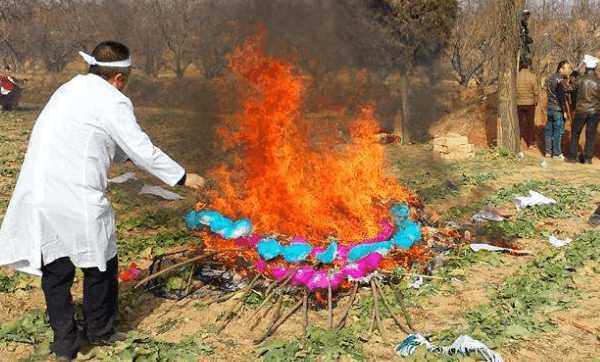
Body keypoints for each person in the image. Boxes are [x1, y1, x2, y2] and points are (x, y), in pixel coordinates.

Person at [0, 41, 205, 361]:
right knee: (101, 261)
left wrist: (125, 158)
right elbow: (141, 148)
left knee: (56, 269)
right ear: (121, 78)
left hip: (40, 190)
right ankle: (100, 331)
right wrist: (182, 177)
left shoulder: (70, 88)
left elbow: (101, 137)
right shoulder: (114, 100)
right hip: (75, 192)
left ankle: (65, 343)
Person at [568, 55, 600, 164]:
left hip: (580, 110)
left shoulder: (580, 80)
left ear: (586, 67)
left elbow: (570, 86)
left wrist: (574, 72)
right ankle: (587, 158)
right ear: (595, 68)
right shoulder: (598, 81)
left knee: (575, 133)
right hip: (595, 112)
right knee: (591, 134)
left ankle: (572, 157)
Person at [545, 60, 572, 159]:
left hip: (549, 108)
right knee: (558, 132)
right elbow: (561, 97)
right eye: (567, 68)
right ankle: (557, 154)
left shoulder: (549, 78)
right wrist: (564, 111)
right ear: (561, 69)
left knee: (549, 131)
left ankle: (548, 152)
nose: (569, 70)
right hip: (557, 109)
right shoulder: (560, 80)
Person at [516, 59, 538, 147]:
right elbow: (536, 91)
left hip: (519, 103)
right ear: (528, 66)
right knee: (530, 123)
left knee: (519, 122)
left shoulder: (516, 76)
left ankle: (518, 140)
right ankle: (530, 142)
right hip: (530, 103)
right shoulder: (532, 76)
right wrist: (536, 101)